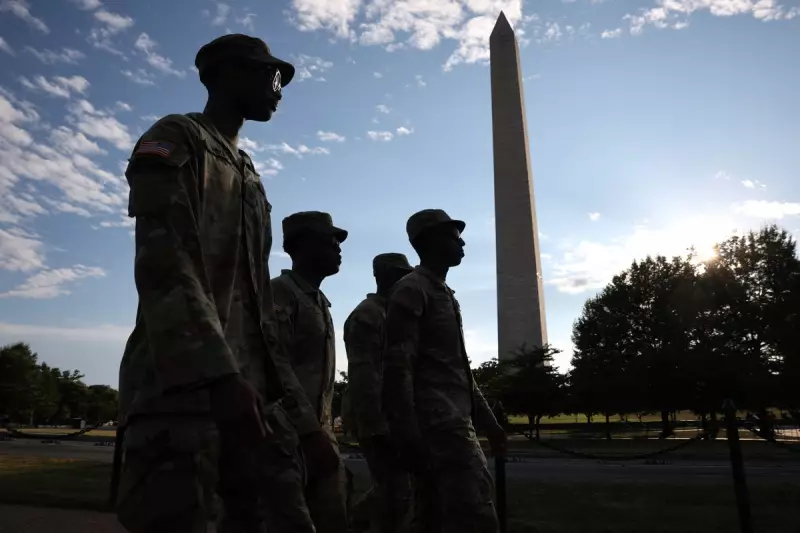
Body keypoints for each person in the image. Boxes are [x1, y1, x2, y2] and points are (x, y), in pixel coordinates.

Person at [116, 34, 315, 533]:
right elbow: (166, 261)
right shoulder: (177, 137)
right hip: (183, 392)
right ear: (229, 73)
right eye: (270, 75)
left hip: (251, 400)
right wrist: (218, 373)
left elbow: (259, 304)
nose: (279, 89)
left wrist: (294, 411)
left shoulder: (249, 173)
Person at [382, 209, 508, 533]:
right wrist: (407, 434)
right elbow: (398, 369)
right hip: (439, 426)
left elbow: (459, 370)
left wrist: (489, 423)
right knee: (476, 515)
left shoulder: (444, 293)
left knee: (432, 517)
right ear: (431, 241)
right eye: (454, 236)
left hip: (453, 420)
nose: (462, 242)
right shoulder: (412, 290)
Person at [271, 211, 349, 533]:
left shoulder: (319, 302)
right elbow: (274, 366)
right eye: (330, 240)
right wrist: (309, 433)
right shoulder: (279, 293)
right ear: (301, 246)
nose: (339, 248)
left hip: (316, 436)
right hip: (284, 438)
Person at [344, 253, 415, 533]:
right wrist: (378, 427)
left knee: (397, 490)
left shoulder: (393, 312)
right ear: (385, 277)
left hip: (397, 418)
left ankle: (353, 521)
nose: (407, 281)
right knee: (395, 492)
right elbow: (365, 375)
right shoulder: (368, 314)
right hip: (379, 420)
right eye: (401, 274)